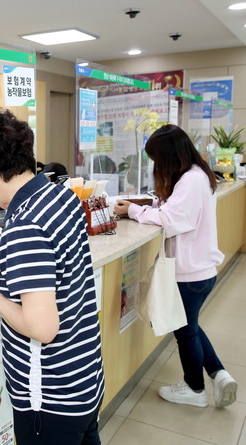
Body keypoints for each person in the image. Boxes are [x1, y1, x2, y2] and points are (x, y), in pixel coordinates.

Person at [0, 108, 104, 444]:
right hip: (85, 377)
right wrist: (7, 255)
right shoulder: (57, 195)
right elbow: (57, 264)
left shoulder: (26, 226)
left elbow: (41, 328)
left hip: (49, 396)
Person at [114, 124, 237, 408]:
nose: (157, 166)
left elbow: (171, 220)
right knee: (190, 326)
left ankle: (195, 390)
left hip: (190, 273)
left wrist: (132, 210)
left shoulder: (191, 180)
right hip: (199, 269)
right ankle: (219, 374)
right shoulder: (196, 174)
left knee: (185, 331)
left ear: (169, 156)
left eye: (158, 159)